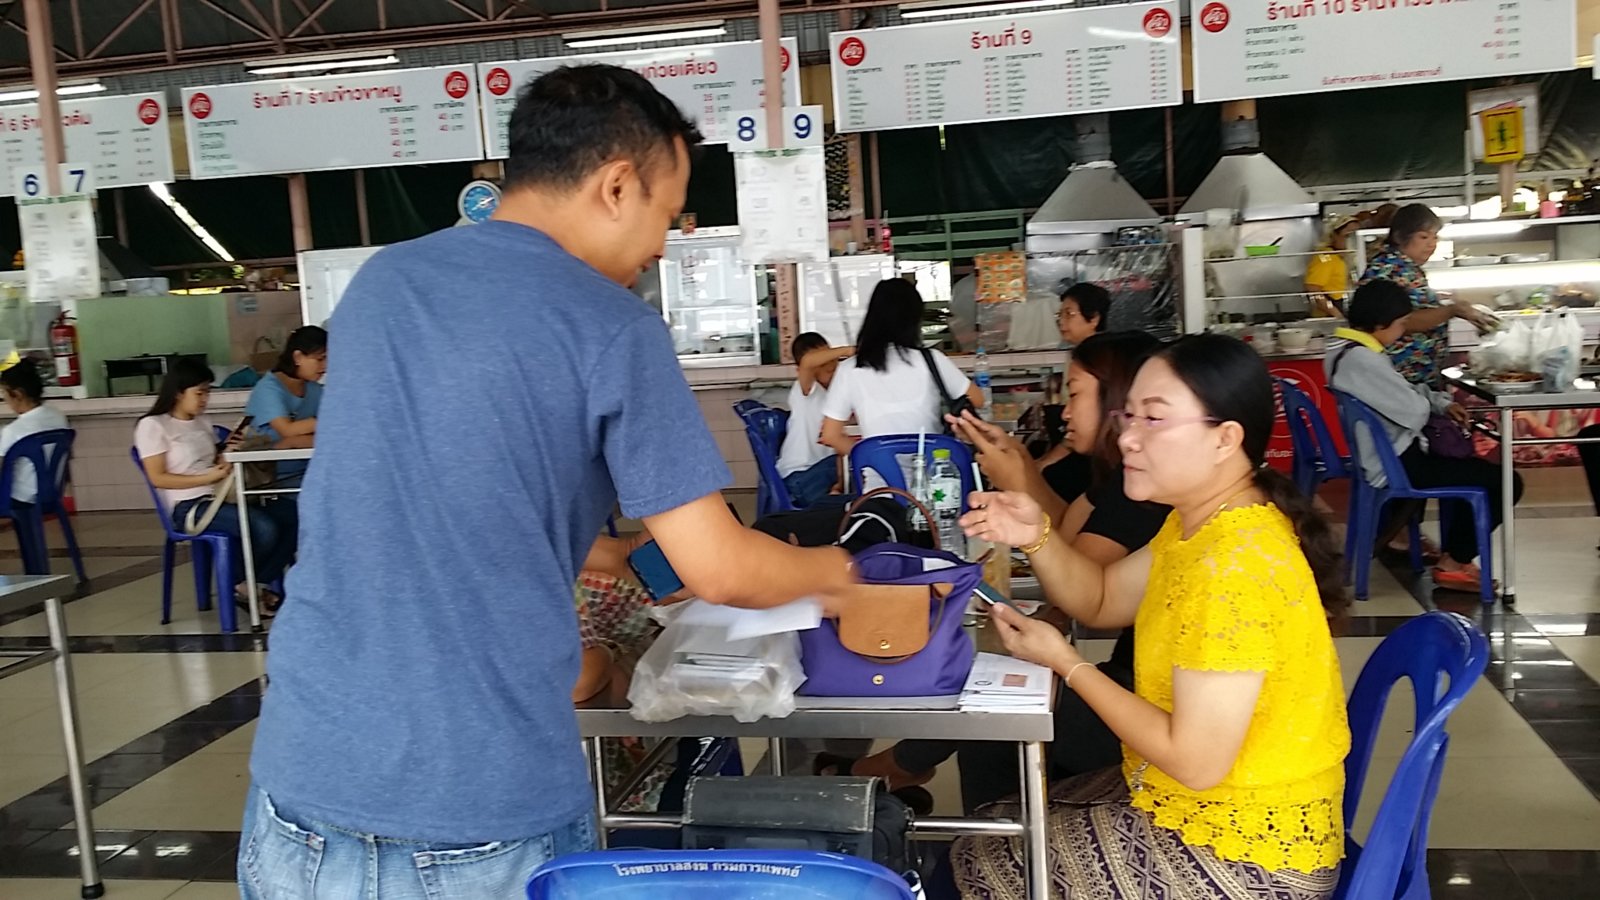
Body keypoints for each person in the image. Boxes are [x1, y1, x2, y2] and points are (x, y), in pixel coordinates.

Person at [240, 64, 854, 900]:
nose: (663, 245)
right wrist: (842, 577)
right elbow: (722, 569)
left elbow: (445, 496)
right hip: (478, 809)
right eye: (666, 215)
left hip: (300, 784)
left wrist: (616, 555)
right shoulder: (612, 325)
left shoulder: (385, 283)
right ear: (616, 185)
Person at [954, 332, 1350, 900]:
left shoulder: (1233, 567)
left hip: (1248, 856)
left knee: (982, 857)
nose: (1128, 438)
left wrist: (1066, 663)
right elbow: (1100, 598)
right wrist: (1035, 535)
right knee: (998, 820)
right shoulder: (1203, 524)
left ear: (1225, 438)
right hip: (1201, 803)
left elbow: (1195, 762)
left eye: (1155, 419)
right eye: (1128, 415)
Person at [820, 331, 1170, 814]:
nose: (1065, 413)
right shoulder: (1123, 486)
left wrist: (1022, 490)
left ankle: (938, 796)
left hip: (1139, 713)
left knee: (990, 704)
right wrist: (1023, 472)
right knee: (995, 686)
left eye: (1074, 394)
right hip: (1132, 693)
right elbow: (1076, 554)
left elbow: (1079, 587)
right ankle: (970, 812)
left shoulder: (1154, 502)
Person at [1327, 279, 1523, 594]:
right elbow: (1413, 410)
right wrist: (1432, 405)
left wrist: (1440, 403)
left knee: (1477, 473)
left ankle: (1454, 557)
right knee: (1505, 481)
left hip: (1391, 455)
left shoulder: (1346, 351)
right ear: (1381, 324)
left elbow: (1404, 392)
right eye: (1402, 323)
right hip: (1400, 463)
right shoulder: (1362, 361)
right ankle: (1454, 563)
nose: (1403, 331)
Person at [135, 359, 293, 615]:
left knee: (292, 516)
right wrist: (207, 478)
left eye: (207, 392)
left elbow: (213, 463)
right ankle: (246, 585)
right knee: (264, 527)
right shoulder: (153, 425)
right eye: (199, 393)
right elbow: (158, 478)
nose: (205, 399)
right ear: (178, 392)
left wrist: (226, 452)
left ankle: (248, 584)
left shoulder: (203, 422)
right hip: (189, 506)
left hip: (221, 496)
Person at [819, 278, 985, 464]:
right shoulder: (932, 360)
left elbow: (830, 435)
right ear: (915, 319)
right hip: (934, 475)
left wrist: (871, 457)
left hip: (880, 479)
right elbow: (978, 400)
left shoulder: (849, 369)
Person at [1358, 203, 1496, 386]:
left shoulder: (1406, 267)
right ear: (1399, 237)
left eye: (1435, 237)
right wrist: (1451, 311)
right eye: (1423, 237)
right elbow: (1397, 321)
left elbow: (1414, 306)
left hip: (1418, 379)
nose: (1431, 244)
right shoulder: (1387, 269)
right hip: (1400, 381)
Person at [244, 325, 327, 488]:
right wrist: (325, 422)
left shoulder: (314, 389)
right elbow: (287, 430)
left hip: (308, 470)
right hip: (270, 478)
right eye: (320, 359)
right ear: (298, 357)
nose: (325, 366)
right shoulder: (269, 388)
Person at [775, 332, 852, 508]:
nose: (832, 366)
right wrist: (848, 350)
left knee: (851, 464)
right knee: (853, 462)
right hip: (800, 478)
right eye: (824, 363)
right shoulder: (805, 392)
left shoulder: (833, 396)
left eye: (833, 361)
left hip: (821, 475)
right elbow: (807, 362)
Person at [0, 360, 69, 504]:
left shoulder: (13, 430)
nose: (4, 399)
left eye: (4, 393)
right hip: (53, 493)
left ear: (18, 394)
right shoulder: (59, 417)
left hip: (20, 499)